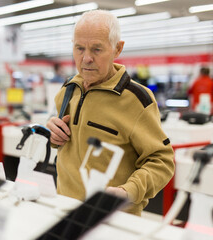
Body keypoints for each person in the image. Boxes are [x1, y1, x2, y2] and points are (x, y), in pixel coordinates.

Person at [46, 10, 174, 216]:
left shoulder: (137, 99)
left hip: (113, 217)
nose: (86, 58)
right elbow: (63, 141)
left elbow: (162, 161)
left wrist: (128, 191)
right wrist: (52, 134)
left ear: (117, 49)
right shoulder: (68, 89)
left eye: (97, 49)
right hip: (65, 211)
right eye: (79, 48)